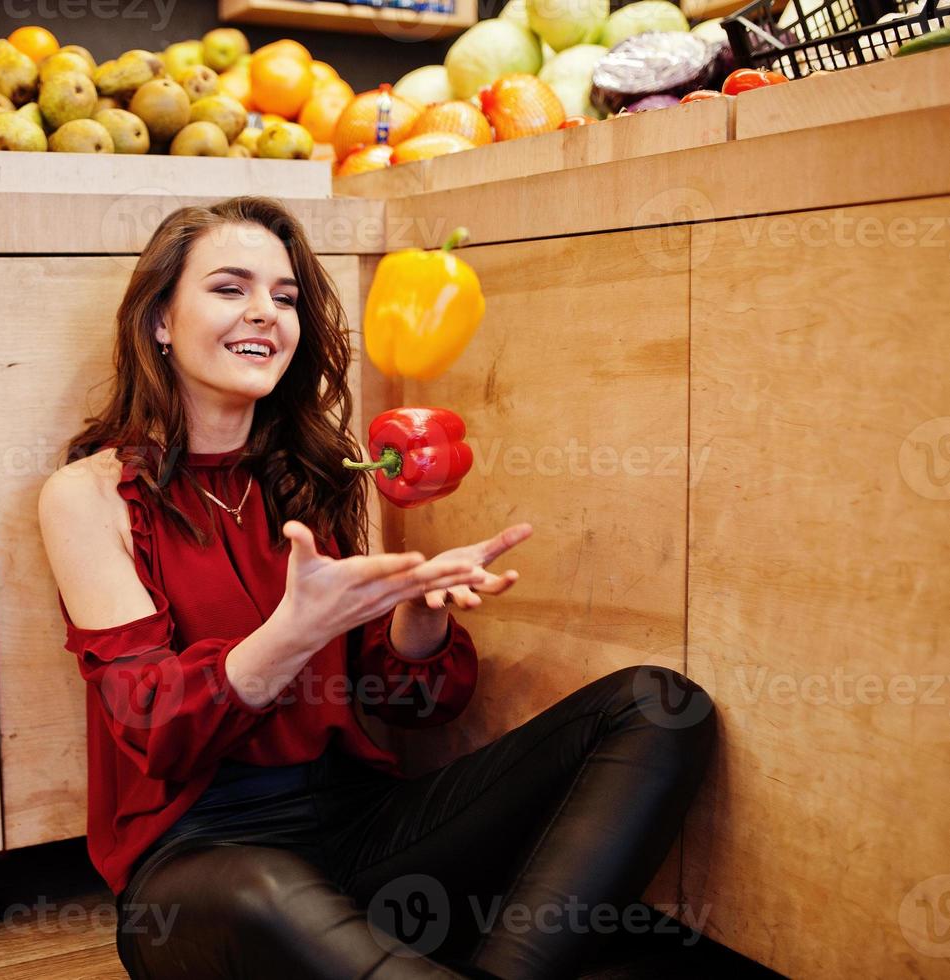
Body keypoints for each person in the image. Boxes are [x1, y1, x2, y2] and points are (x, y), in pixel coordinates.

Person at [38, 196, 717, 979]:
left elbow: (405, 704)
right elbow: (157, 728)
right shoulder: (87, 497)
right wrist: (290, 633)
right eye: (229, 289)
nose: (264, 313)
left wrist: (416, 620)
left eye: (284, 297)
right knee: (267, 890)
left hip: (359, 835)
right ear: (158, 319)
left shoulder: (309, 478)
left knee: (659, 706)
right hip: (201, 863)